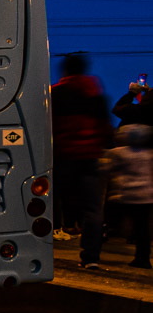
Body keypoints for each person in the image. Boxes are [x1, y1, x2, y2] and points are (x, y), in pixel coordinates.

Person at [53, 53, 114, 268]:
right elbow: (107, 131)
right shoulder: (96, 97)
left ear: (65, 70)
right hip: (90, 158)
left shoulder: (56, 94)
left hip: (62, 158)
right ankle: (91, 258)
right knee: (93, 209)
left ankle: (39, 250)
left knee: (48, 201)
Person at [102, 123, 153, 269]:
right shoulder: (149, 153)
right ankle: (143, 258)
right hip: (146, 196)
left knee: (109, 222)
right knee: (143, 229)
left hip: (123, 195)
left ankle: (94, 252)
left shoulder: (118, 153)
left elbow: (105, 169)